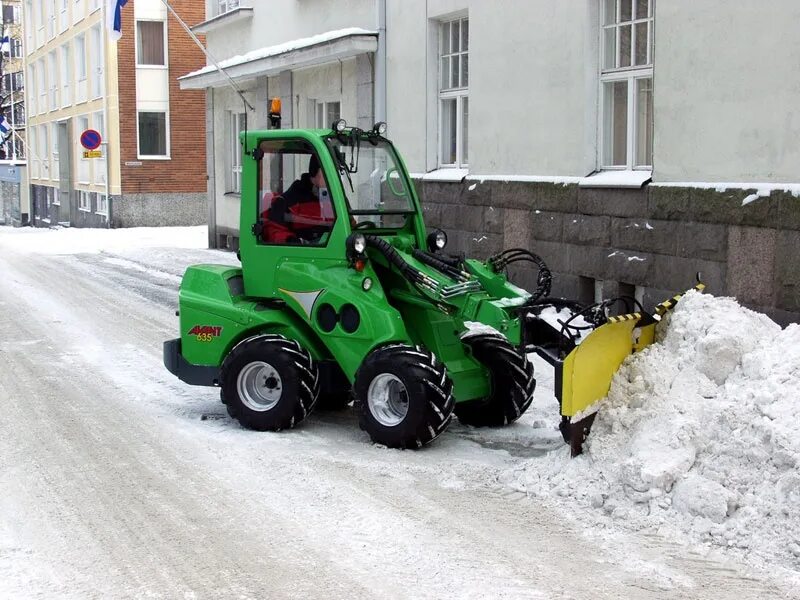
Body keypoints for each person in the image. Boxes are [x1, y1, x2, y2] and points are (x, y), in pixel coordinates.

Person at [264, 154, 335, 243]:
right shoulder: (286, 202)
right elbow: (274, 232)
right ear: (314, 172)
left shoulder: (337, 200)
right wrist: (292, 241)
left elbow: (349, 226)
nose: (333, 178)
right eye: (329, 172)